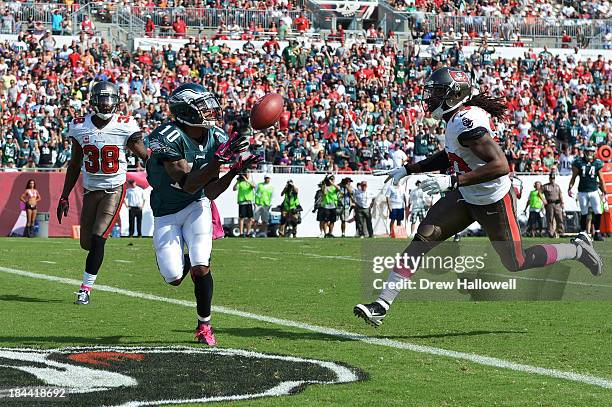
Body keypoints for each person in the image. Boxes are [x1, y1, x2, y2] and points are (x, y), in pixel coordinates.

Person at [355, 67, 603, 327]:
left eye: (437, 92)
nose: (430, 98)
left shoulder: (466, 121)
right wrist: (409, 169)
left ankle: (576, 248)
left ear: (453, 95)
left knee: (517, 261)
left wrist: (452, 180)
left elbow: (500, 165)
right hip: (465, 194)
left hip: (492, 199)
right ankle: (381, 304)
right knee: (424, 237)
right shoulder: (455, 119)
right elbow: (452, 154)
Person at [146, 83, 258, 345]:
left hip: (197, 206)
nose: (210, 111)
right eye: (203, 106)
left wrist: (234, 170)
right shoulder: (166, 136)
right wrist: (218, 161)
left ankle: (204, 325)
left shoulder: (216, 136)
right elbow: (188, 183)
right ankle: (183, 259)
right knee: (174, 277)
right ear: (186, 111)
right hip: (166, 212)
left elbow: (210, 192)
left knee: (201, 266)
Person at [57, 81, 148, 306]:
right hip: (90, 189)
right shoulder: (79, 126)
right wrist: (64, 195)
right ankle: (87, 281)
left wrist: (160, 164)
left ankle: (85, 289)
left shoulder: (125, 125)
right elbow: (75, 162)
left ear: (117, 102)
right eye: (103, 100)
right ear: (93, 101)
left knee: (98, 238)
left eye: (110, 100)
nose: (107, 105)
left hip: (114, 188)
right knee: (86, 243)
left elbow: (145, 155)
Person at [568, 146, 606, 241]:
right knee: (584, 212)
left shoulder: (597, 163)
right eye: (588, 151)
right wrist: (570, 187)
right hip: (582, 191)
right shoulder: (579, 162)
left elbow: (601, 179)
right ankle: (583, 232)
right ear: (584, 152)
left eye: (592, 151)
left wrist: (604, 191)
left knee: (598, 211)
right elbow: (574, 176)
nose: (590, 153)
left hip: (593, 190)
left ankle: (597, 232)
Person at [233, 171, 256, 237]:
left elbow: (254, 186)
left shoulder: (251, 181)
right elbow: (234, 189)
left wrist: (246, 180)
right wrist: (237, 181)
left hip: (249, 202)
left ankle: (248, 233)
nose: (246, 175)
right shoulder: (240, 182)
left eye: (247, 173)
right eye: (245, 174)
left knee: (250, 218)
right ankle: (241, 233)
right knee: (241, 218)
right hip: (242, 202)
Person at [542, 173, 565, 238]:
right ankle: (551, 232)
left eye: (553, 178)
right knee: (550, 219)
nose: (552, 180)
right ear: (549, 179)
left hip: (557, 204)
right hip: (549, 204)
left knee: (559, 218)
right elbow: (539, 192)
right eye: (551, 178)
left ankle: (561, 232)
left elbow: (560, 195)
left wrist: (562, 202)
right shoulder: (545, 186)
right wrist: (543, 200)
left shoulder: (557, 186)